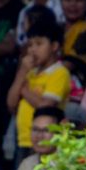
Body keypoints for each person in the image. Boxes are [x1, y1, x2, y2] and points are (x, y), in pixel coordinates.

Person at [8, 13, 70, 151]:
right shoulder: (28, 73)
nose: (32, 49)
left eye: (39, 43)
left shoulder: (60, 73)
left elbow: (44, 105)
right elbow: (11, 104)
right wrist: (22, 72)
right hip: (24, 138)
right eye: (30, 45)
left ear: (54, 46)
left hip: (46, 141)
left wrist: (23, 90)